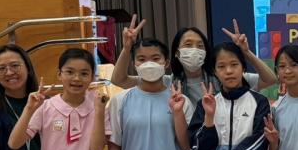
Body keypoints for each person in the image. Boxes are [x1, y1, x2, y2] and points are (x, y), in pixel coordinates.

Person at [111, 16, 276, 98]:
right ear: (177, 53)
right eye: (188, 45)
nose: (194, 50)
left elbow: (270, 79)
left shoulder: (222, 77)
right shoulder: (167, 82)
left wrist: (246, 52)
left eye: (200, 46)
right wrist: (127, 48)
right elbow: (119, 80)